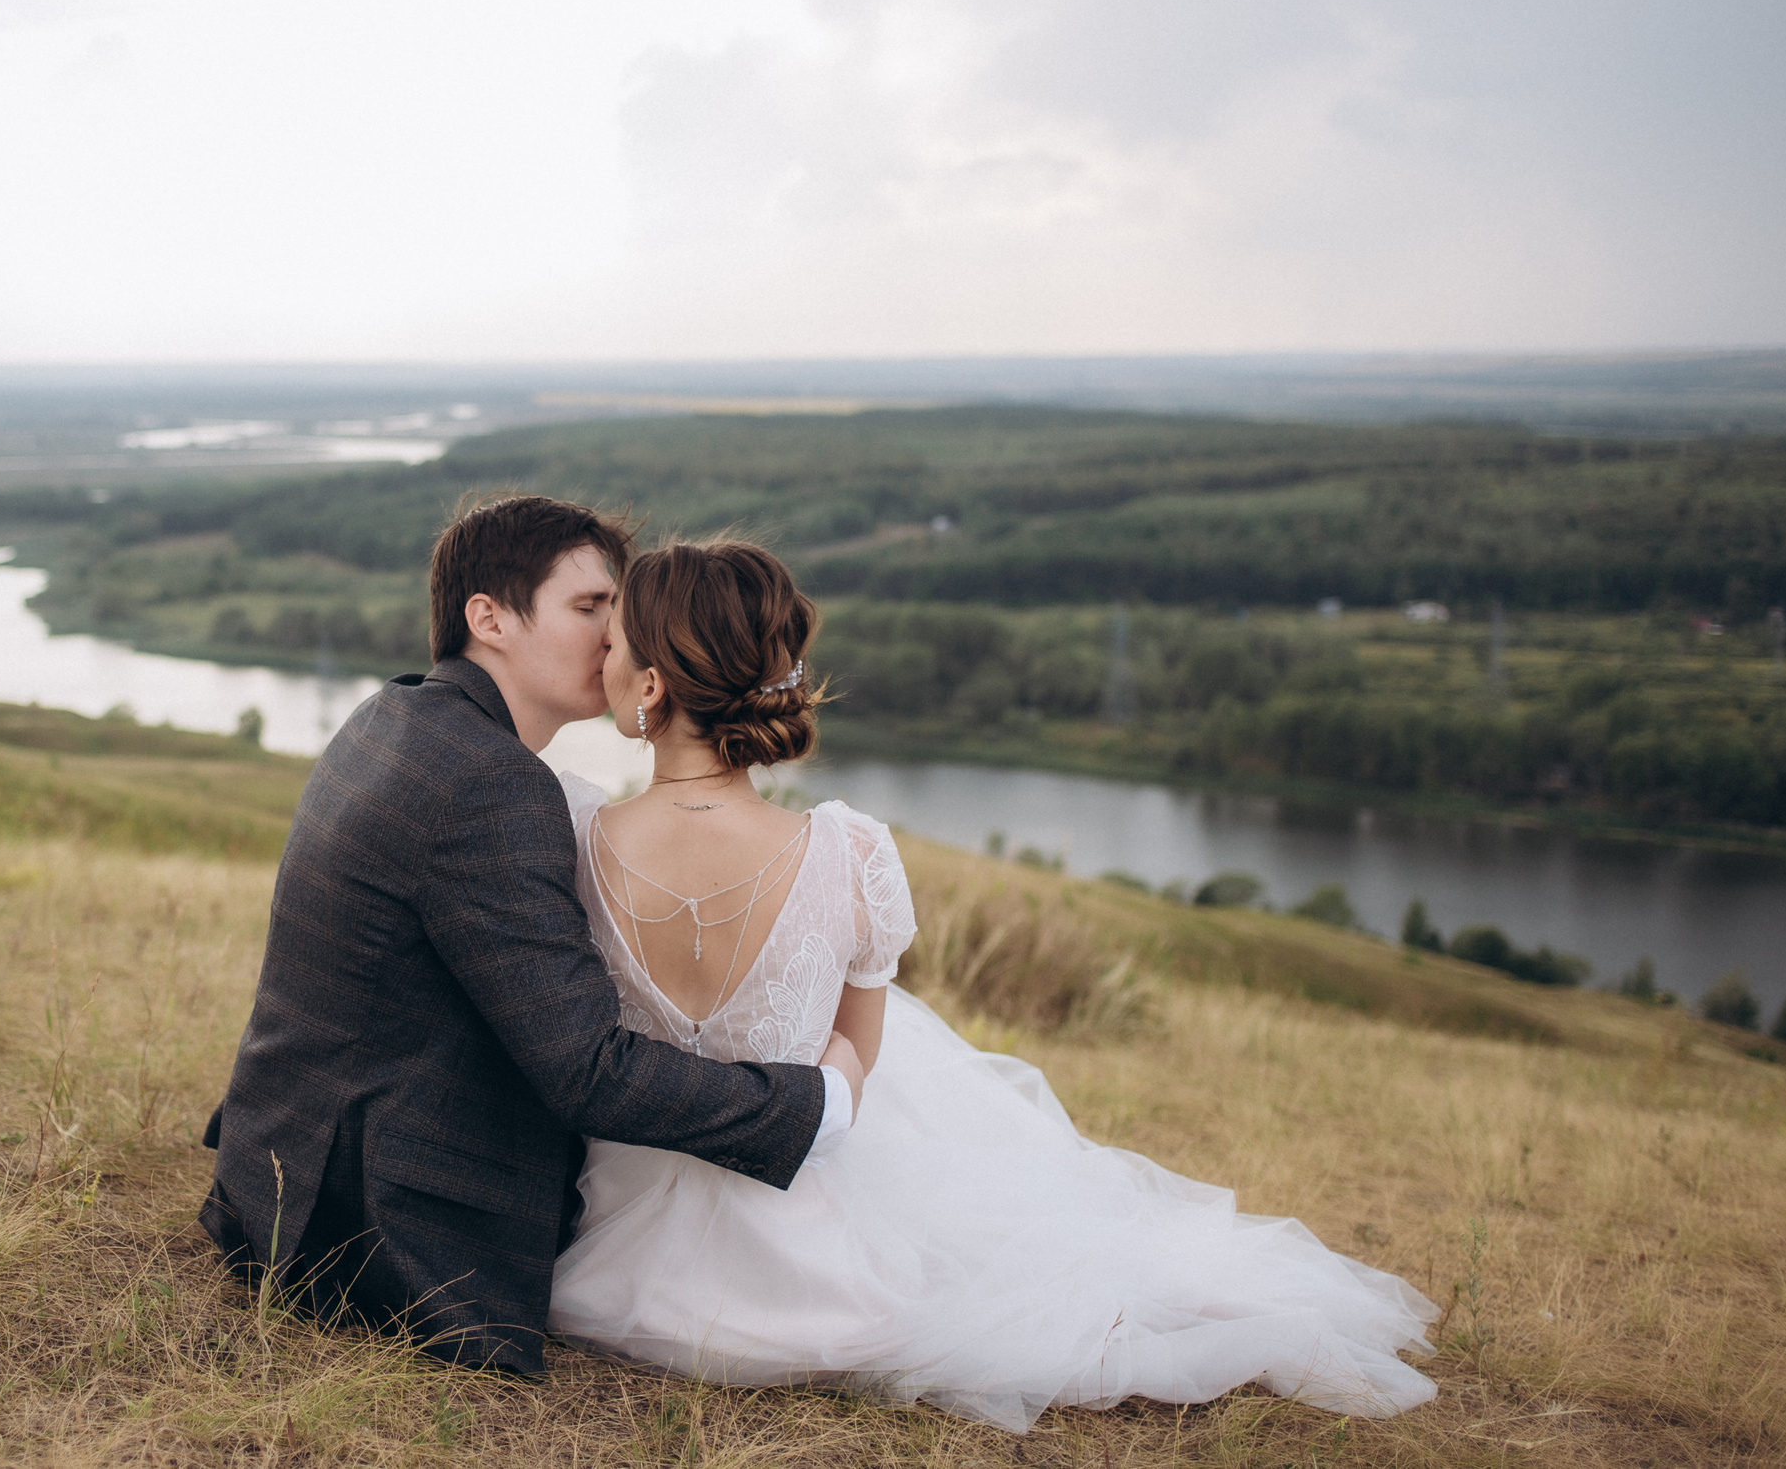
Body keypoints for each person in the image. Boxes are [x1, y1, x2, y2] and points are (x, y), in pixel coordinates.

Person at [547, 538, 1440, 1431]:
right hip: (817, 1267)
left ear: (654, 686)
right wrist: (837, 1083)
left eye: (616, 640)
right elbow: (859, 1050)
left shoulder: (572, 834)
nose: (604, 656)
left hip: (616, 1262)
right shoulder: (849, 853)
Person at [199, 497, 864, 1375]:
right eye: (590, 608)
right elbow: (586, 1070)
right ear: (490, 618)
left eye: (617, 615)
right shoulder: (492, 783)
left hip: (281, 1175)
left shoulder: (402, 714)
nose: (615, 638)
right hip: (374, 1230)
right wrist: (813, 1104)